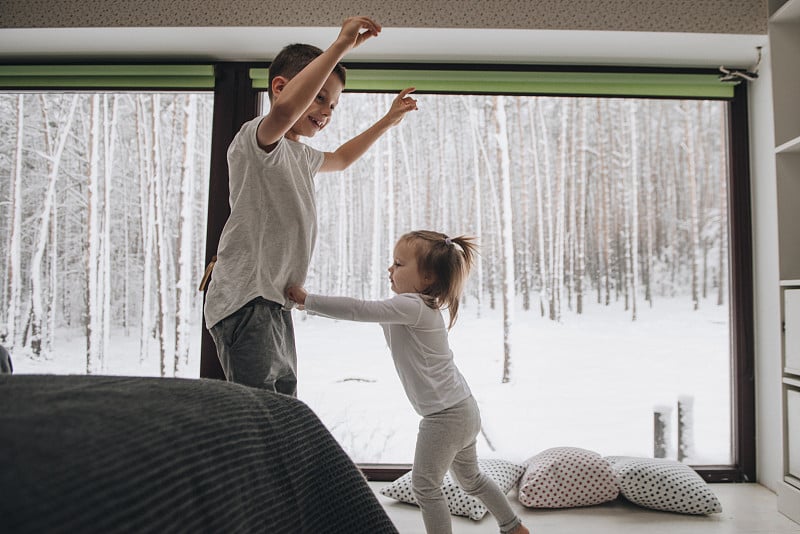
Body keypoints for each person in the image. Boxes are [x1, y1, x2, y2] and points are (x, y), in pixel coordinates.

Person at [203, 16, 418, 396]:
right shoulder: (258, 140)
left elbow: (341, 157)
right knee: (262, 411)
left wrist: (387, 121)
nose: (327, 110)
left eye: (333, 104)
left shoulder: (300, 156)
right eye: (319, 95)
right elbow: (284, 113)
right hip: (246, 296)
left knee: (285, 404)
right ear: (281, 88)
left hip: (274, 302)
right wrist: (340, 47)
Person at [286, 230, 529, 534]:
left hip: (445, 416)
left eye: (399, 264)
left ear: (427, 277)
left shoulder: (413, 306)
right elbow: (369, 312)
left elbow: (359, 310)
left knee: (425, 485)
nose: (391, 269)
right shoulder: (415, 306)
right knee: (472, 479)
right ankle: (513, 527)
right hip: (462, 409)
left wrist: (309, 300)